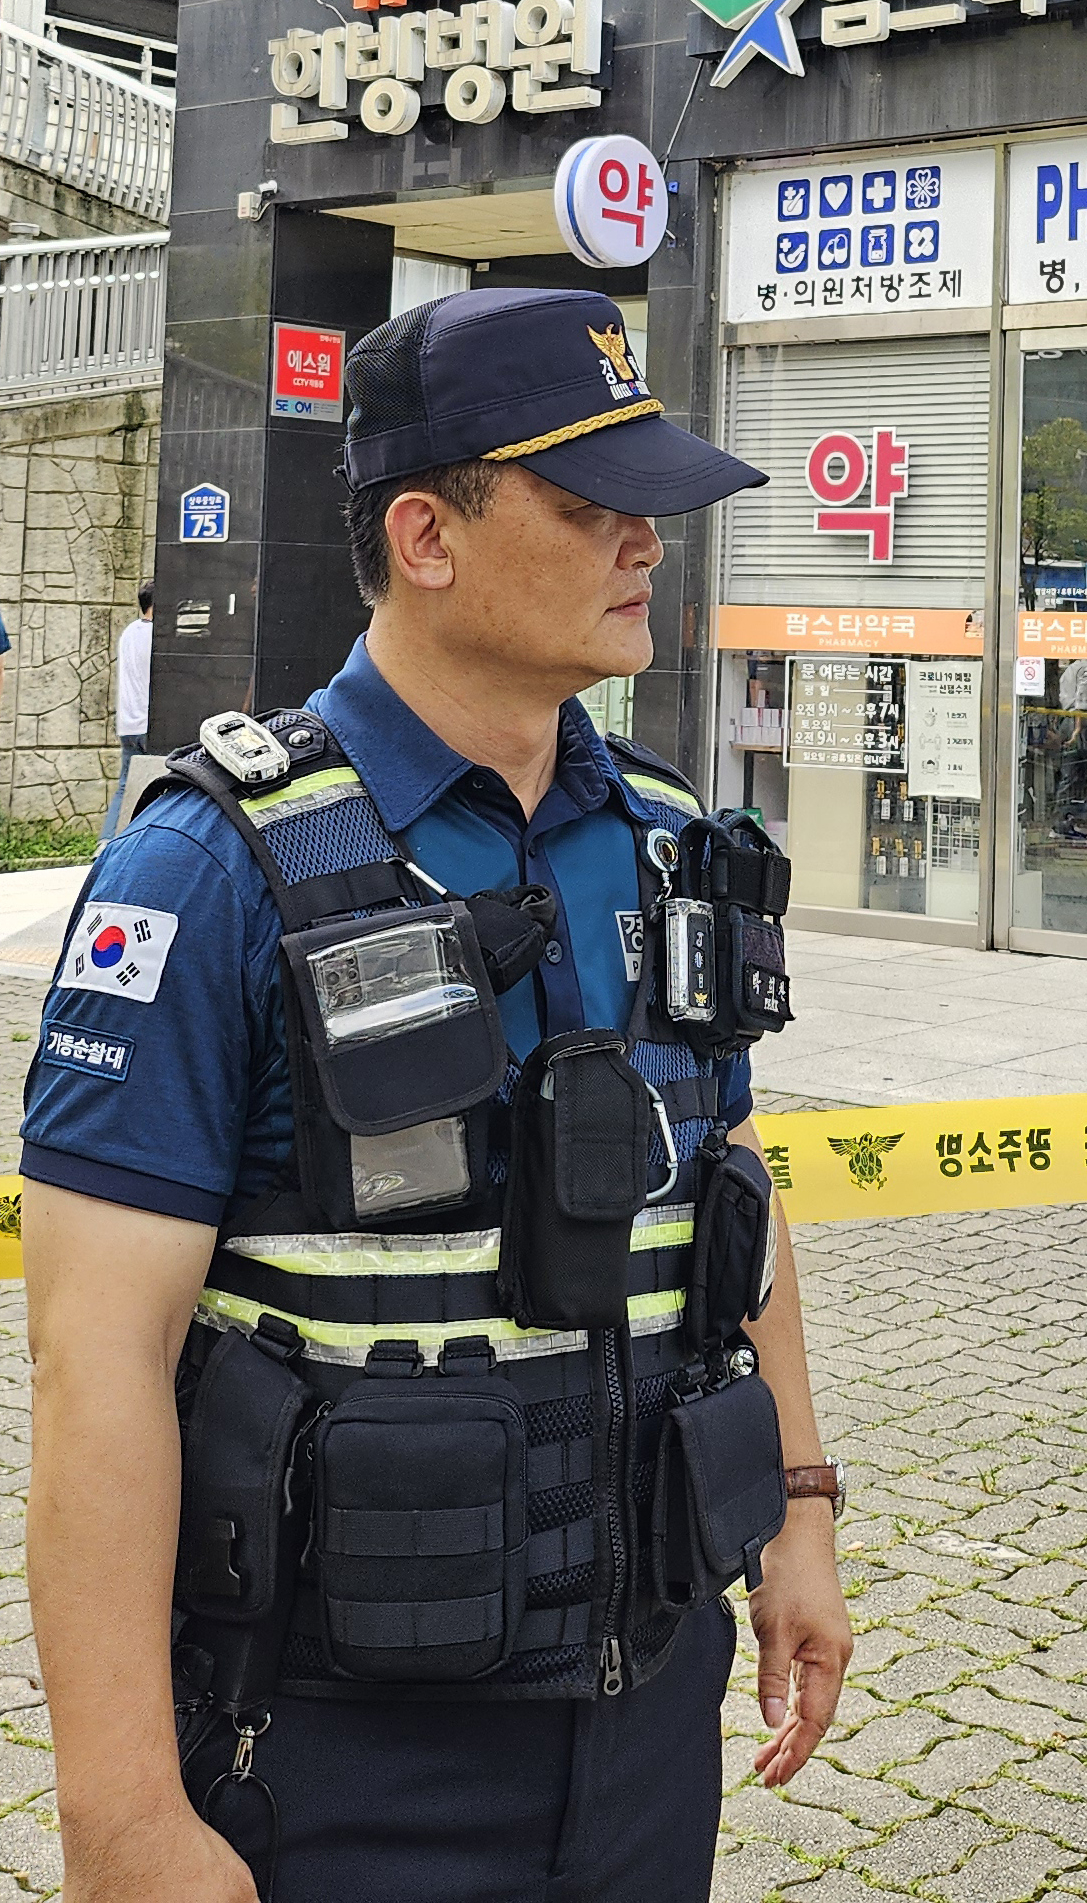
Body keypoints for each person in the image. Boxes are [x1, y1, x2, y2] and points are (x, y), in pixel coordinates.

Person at [22, 288, 856, 1902]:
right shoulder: (209, 868)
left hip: (642, 1707)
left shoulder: (677, 844)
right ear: (428, 532)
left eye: (651, 508)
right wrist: (120, 1814)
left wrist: (799, 1515)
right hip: (337, 1746)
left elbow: (732, 1204)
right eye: (590, 505)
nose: (647, 543)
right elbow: (92, 1359)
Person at [104, 582, 153, 840]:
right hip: (150, 723)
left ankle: (106, 840)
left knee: (124, 785)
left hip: (128, 724)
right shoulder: (157, 636)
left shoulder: (129, 632)